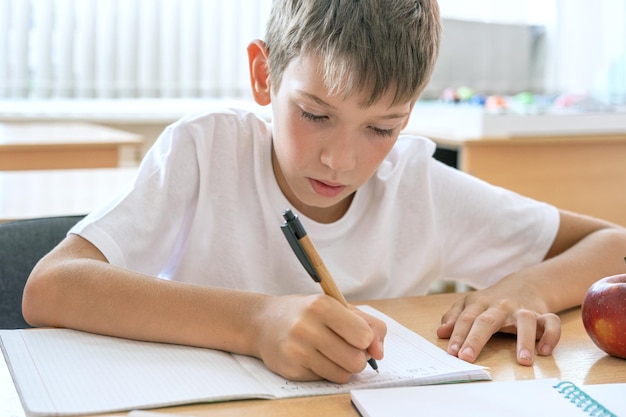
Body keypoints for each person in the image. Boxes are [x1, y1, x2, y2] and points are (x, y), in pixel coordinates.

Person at [23, 0, 626, 385]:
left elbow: (613, 243)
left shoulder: (415, 184)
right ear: (264, 75)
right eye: (315, 114)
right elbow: (51, 288)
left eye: (382, 128)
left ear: (410, 115)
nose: (342, 160)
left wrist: (524, 285)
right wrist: (257, 322)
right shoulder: (205, 153)